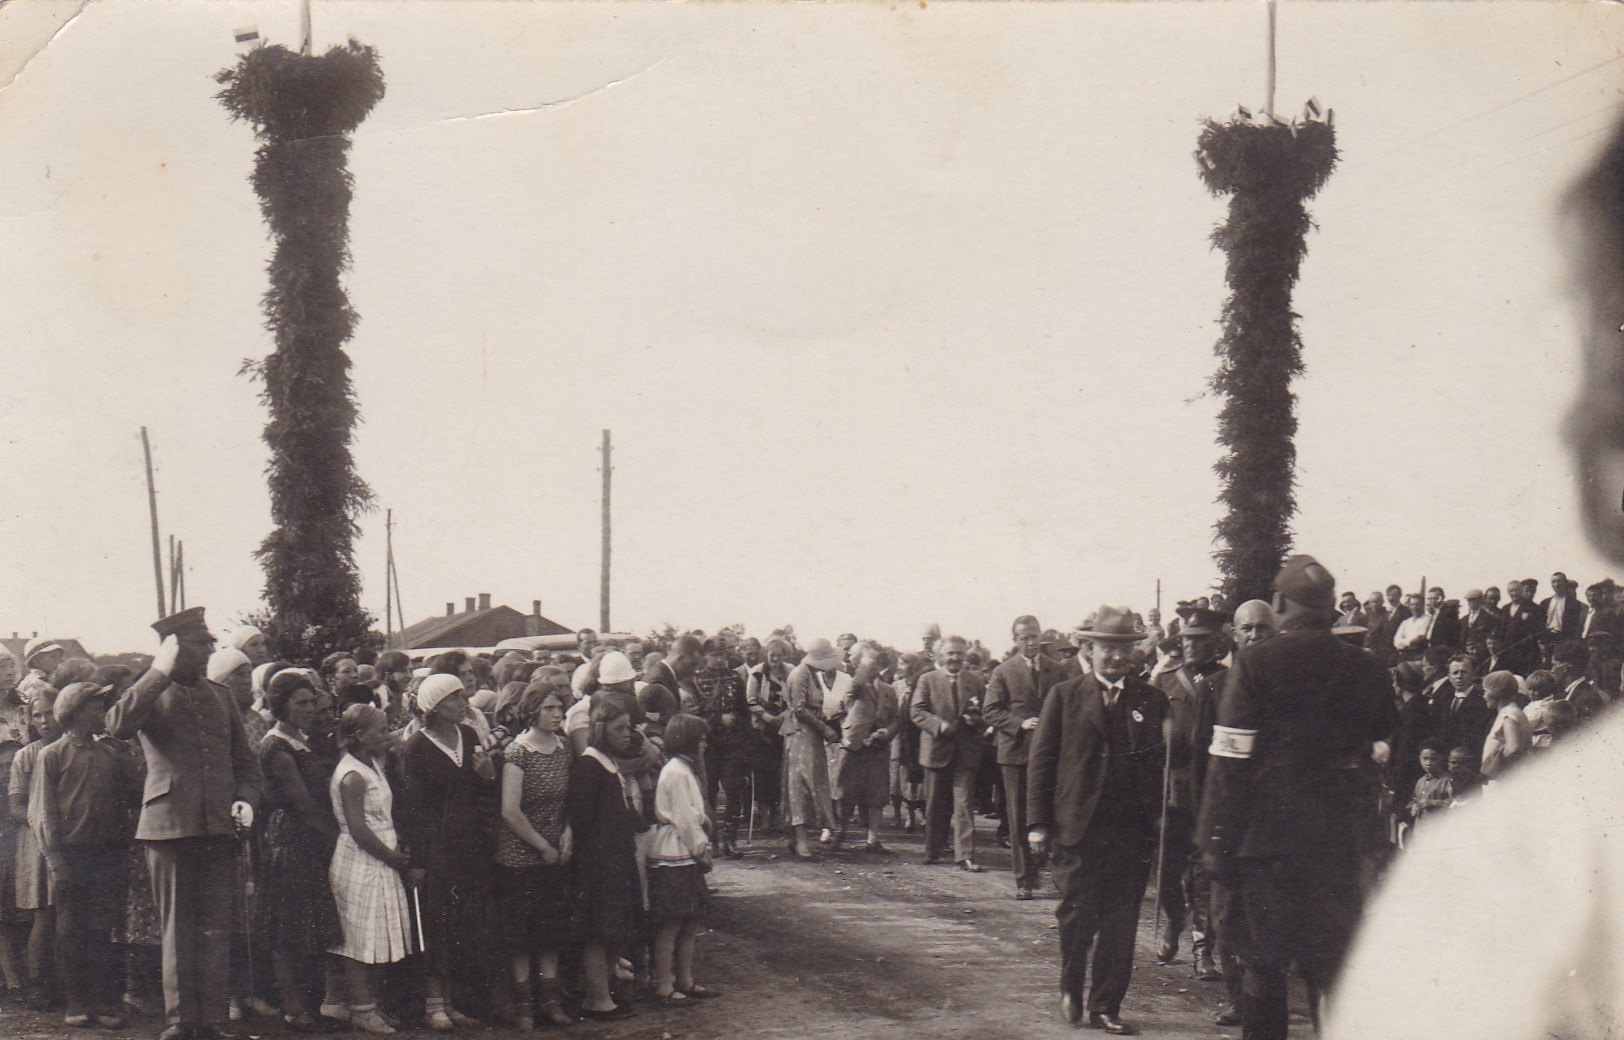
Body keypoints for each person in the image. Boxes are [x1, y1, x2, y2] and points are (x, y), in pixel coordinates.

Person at [1196, 555, 1393, 1040]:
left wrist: (1214, 840)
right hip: (1338, 845)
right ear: (1329, 606)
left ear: (1280, 603)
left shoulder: (1255, 662)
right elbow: (1386, 741)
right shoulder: (1366, 665)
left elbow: (1229, 760)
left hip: (1267, 845)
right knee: (1331, 970)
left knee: (1264, 968)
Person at [105, 607, 263, 1040]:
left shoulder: (221, 696)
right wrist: (157, 671)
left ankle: (211, 1020)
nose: (209, 650)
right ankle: (180, 1020)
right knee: (177, 928)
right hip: (169, 826)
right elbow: (117, 724)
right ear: (174, 648)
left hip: (218, 827)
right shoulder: (151, 690)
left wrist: (246, 800)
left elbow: (246, 764)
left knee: (215, 929)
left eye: (210, 643)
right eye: (199, 645)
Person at [1028, 605, 1167, 1036]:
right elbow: (1042, 761)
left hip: (1131, 832)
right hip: (1078, 828)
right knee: (1076, 914)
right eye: (1107, 647)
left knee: (1121, 922)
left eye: (1124, 648)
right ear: (1090, 648)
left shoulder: (1151, 699)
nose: (1116, 656)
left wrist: (1161, 819)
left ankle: (1106, 1005)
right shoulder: (1064, 696)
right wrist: (1038, 823)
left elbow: (1161, 766)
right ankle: (1071, 985)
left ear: (1135, 652)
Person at [33, 681, 140, 1029]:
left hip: (107, 855)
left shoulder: (110, 753)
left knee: (103, 930)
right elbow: (44, 812)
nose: (102, 712)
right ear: (76, 712)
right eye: (96, 706)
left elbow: (131, 796)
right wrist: (56, 860)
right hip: (72, 856)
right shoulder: (53, 755)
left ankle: (105, 1002)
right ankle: (77, 1003)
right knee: (71, 931)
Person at [400, 674, 495, 1031]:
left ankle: (452, 1003)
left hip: (469, 846)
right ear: (435, 707)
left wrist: (489, 775)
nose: (463, 703)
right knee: (436, 923)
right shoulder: (415, 747)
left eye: (463, 696)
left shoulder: (468, 736)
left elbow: (482, 792)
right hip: (436, 851)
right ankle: (434, 1004)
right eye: (455, 698)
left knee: (461, 924)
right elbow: (412, 810)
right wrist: (419, 860)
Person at [256, 670, 345, 1033]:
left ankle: (311, 1003)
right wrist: (338, 838)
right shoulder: (276, 746)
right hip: (291, 839)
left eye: (311, 702)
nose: (309, 709)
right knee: (288, 927)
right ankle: (293, 1008)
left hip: (310, 838)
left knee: (308, 924)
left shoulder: (301, 740)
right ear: (281, 705)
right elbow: (302, 803)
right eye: (300, 702)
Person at [328, 704, 413, 1036]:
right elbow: (358, 830)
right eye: (381, 729)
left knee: (377, 935)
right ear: (361, 735)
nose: (388, 734)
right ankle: (362, 1010)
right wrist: (391, 856)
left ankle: (368, 1006)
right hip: (360, 864)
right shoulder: (352, 776)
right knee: (358, 940)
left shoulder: (373, 764)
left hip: (380, 861)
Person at [495, 685, 575, 1030]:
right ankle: (524, 1006)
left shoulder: (564, 748)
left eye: (559, 707)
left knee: (551, 931)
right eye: (549, 708)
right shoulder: (518, 752)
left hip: (554, 855)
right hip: (520, 858)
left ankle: (551, 1002)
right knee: (521, 935)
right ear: (531, 713)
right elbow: (510, 811)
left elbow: (569, 800)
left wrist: (567, 831)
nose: (557, 714)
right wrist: (542, 846)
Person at [1152, 607, 1227, 975]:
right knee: (1167, 868)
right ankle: (1173, 919)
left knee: (1204, 870)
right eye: (1186, 639)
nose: (1191, 645)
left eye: (1199, 639)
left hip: (1212, 789)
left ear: (1216, 642)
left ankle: (1202, 946)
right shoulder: (1164, 682)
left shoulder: (1229, 680)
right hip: (1174, 791)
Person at [567, 700, 644, 1022]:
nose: (627, 734)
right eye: (619, 728)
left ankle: (601, 994)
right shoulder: (588, 765)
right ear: (601, 730)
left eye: (628, 727)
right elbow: (582, 820)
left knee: (615, 929)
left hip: (617, 858)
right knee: (598, 933)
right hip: (598, 863)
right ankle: (597, 999)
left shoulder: (608, 761)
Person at [983, 615, 1068, 899]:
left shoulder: (1057, 669)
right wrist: (1020, 723)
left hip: (1050, 755)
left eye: (1035, 636)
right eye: (1024, 638)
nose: (1031, 643)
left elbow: (1068, 706)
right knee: (1019, 817)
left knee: (1052, 814)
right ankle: (1024, 880)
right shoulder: (1003, 671)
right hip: (1015, 754)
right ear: (1015, 640)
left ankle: (1054, 873)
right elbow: (990, 711)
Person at [645, 713, 719, 1008]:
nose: (704, 745)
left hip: (684, 852)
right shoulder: (676, 772)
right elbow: (685, 819)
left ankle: (685, 980)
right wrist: (701, 851)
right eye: (700, 740)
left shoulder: (684, 769)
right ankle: (665, 984)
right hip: (675, 852)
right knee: (671, 923)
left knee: (689, 921)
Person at [910, 635, 987, 871]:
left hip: (965, 751)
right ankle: (932, 850)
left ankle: (965, 855)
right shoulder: (927, 679)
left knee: (964, 803)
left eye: (959, 653)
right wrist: (937, 725)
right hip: (936, 749)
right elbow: (916, 711)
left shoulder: (975, 681)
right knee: (935, 803)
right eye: (950, 653)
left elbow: (986, 712)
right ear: (941, 655)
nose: (955, 658)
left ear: (965, 656)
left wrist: (976, 720)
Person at [11, 685, 59, 1009]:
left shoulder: (76, 749)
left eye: (50, 713)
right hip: (39, 843)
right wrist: (43, 822)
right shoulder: (26, 755)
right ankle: (39, 988)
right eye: (37, 715)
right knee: (45, 915)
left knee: (71, 915)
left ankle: (70, 984)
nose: (44, 720)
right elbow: (15, 806)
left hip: (75, 840)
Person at [831, 644, 902, 853]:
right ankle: (840, 832)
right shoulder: (853, 684)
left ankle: (873, 839)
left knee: (877, 793)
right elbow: (847, 697)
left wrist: (887, 732)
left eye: (876, 663)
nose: (873, 667)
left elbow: (897, 719)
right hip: (853, 745)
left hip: (878, 747)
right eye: (869, 664)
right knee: (845, 791)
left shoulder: (889, 690)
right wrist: (863, 665)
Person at [781, 640, 842, 859]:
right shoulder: (800, 675)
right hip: (800, 735)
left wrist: (828, 721)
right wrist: (824, 728)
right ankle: (800, 841)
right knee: (801, 786)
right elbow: (799, 708)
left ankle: (796, 839)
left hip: (811, 735)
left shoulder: (811, 675)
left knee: (811, 783)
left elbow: (811, 707)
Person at [1479, 670, 1531, 779]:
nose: (1484, 696)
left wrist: (1495, 768)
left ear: (1496, 693)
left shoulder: (1508, 714)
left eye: (1485, 692)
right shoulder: (1514, 711)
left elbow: (1513, 748)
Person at [1404, 739, 1452, 824]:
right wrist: (1414, 806)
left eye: (1433, 759)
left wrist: (1433, 803)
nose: (1428, 763)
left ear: (1441, 759)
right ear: (1419, 758)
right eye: (1425, 759)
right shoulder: (1421, 781)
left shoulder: (1447, 780)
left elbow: (1454, 803)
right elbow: (1414, 799)